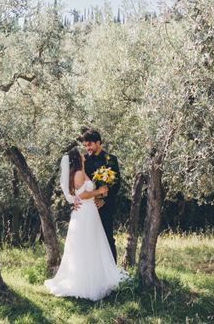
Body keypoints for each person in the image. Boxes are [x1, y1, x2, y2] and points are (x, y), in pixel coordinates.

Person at [44, 147, 125, 300]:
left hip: (90, 212)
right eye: (80, 153)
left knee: (92, 244)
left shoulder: (82, 171)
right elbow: (83, 195)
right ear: (77, 158)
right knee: (86, 245)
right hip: (85, 213)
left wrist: (102, 191)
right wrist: (99, 191)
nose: (84, 154)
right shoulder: (79, 173)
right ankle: (85, 282)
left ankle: (95, 277)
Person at [81, 128, 121, 262]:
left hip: (105, 206)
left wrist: (104, 201)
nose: (87, 148)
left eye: (90, 145)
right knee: (88, 239)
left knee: (107, 238)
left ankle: (112, 272)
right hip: (88, 205)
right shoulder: (83, 160)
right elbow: (78, 183)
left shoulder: (111, 159)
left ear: (98, 143)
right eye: (85, 145)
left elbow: (116, 185)